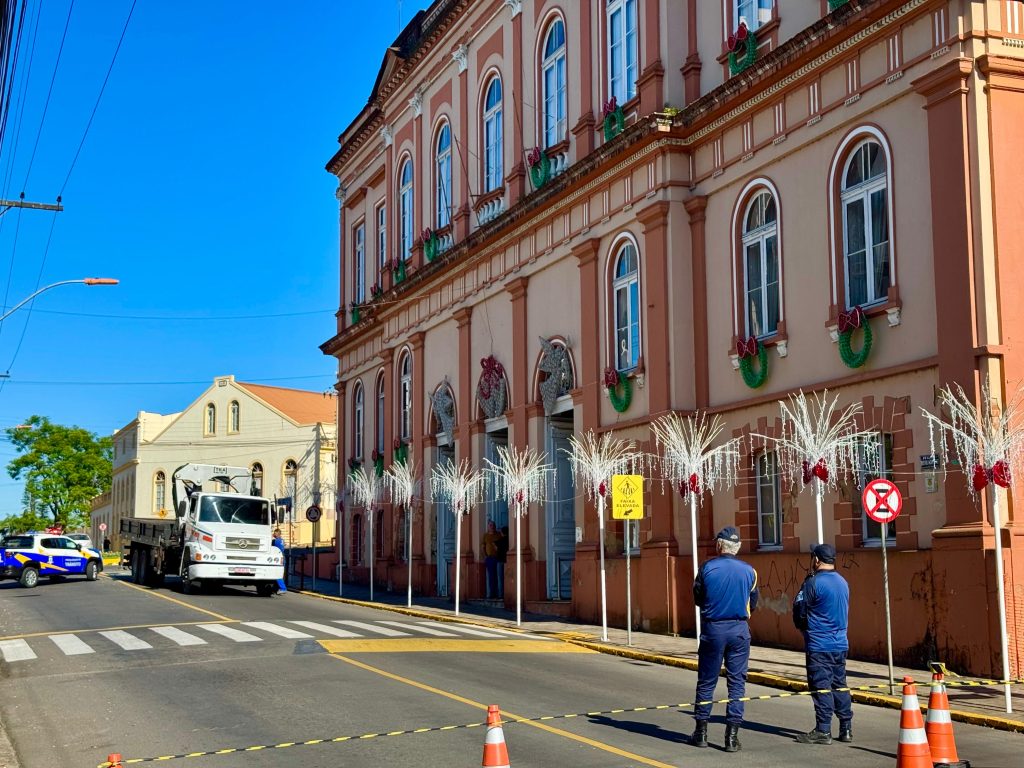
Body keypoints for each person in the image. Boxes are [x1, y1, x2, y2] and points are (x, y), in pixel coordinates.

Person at [691, 526, 759, 753]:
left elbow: (698, 597)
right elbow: (753, 602)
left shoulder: (707, 568)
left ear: (719, 545)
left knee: (707, 681)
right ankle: (731, 736)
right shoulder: (750, 571)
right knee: (737, 683)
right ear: (737, 547)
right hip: (739, 629)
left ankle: (701, 732)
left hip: (714, 628)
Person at [792, 543, 852, 745]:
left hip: (819, 644)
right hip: (840, 644)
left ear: (816, 560)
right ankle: (846, 727)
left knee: (821, 686)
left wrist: (804, 629)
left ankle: (823, 729)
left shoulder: (813, 583)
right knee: (840, 685)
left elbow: (799, 611)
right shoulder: (843, 582)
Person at [482, 520, 501, 599]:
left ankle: (499, 593)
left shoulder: (498, 535)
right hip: (489, 558)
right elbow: (483, 546)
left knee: (498, 576)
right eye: (490, 525)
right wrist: (485, 556)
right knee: (491, 576)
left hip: (498, 558)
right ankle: (492, 593)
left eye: (493, 525)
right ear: (488, 527)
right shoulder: (485, 536)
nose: (492, 527)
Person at [272, 528, 287, 594]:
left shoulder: (275, 541)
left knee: (277, 574)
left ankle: (283, 588)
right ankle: (276, 588)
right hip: (282, 558)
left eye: (274, 533)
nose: (273, 534)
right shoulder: (282, 540)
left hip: (278, 559)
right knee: (280, 573)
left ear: (277, 534)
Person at [495, 525, 509, 599]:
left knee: (500, 578)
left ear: (502, 533)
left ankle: (501, 594)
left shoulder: (500, 541)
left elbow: (495, 546)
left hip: (500, 560)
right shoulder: (509, 540)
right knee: (507, 577)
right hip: (507, 560)